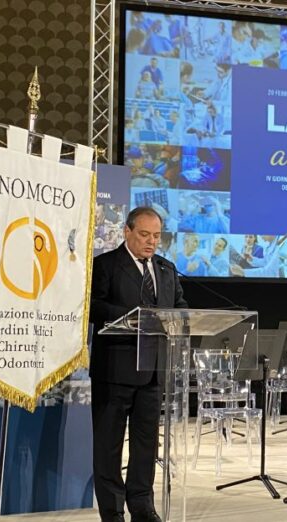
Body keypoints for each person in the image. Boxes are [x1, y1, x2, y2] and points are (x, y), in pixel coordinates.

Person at [90, 207, 187, 522]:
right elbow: (92, 306)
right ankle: (112, 512)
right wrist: (134, 317)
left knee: (146, 446)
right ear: (127, 232)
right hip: (114, 371)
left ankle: (142, 508)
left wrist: (180, 319)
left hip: (153, 371)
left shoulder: (166, 269)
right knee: (109, 446)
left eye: (156, 236)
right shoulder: (106, 265)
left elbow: (180, 307)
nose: (151, 242)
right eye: (144, 234)